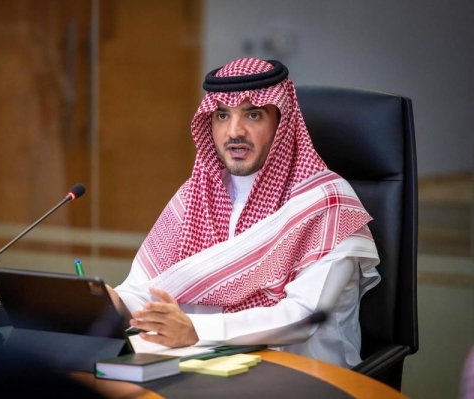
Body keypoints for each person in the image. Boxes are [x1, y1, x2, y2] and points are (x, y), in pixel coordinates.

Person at [106, 58, 381, 368]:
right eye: (222, 115)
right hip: (208, 370)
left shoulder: (327, 203)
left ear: (281, 122)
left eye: (253, 114)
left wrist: (194, 330)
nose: (234, 131)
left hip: (302, 379)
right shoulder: (196, 194)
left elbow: (302, 317)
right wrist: (107, 302)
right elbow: (145, 290)